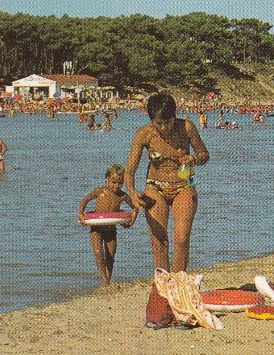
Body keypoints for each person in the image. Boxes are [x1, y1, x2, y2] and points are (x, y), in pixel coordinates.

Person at [125, 92, 209, 272]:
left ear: (174, 116)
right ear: (152, 121)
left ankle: (179, 283)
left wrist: (193, 158)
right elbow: (130, 171)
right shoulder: (144, 134)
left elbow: (204, 155)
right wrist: (132, 192)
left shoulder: (186, 127)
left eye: (168, 122)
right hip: (155, 188)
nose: (163, 128)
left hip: (183, 187)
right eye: (159, 124)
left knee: (182, 239)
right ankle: (164, 288)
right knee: (159, 241)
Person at [78, 164, 139, 285]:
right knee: (98, 252)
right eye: (113, 182)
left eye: (119, 183)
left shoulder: (122, 196)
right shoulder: (99, 191)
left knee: (110, 256)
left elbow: (135, 207)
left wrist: (132, 219)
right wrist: (81, 214)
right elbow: (84, 200)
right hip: (97, 228)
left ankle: (108, 280)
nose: (116, 186)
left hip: (111, 229)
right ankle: (104, 281)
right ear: (107, 179)